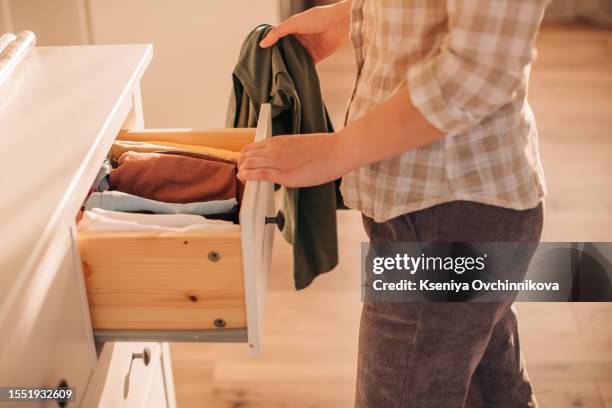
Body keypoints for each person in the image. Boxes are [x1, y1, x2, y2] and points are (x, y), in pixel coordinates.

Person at [237, 1, 549, 407]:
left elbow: (478, 73)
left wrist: (333, 153)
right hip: (445, 207)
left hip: (449, 216)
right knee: (490, 387)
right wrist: (356, 13)